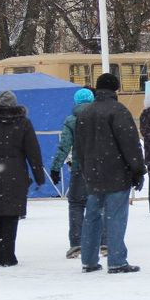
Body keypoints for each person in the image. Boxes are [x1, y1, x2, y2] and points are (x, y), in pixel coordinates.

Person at [74, 73, 146, 274]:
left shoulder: (85, 113)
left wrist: (85, 167)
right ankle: (116, 260)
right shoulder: (118, 111)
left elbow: (79, 146)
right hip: (116, 171)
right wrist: (138, 170)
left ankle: (88, 260)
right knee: (115, 216)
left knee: (92, 216)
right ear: (115, 89)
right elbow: (130, 144)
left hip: (93, 172)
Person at [0, 91, 44, 267]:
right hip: (16, 173)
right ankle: (9, 254)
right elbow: (33, 151)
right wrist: (38, 176)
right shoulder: (24, 123)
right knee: (11, 214)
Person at [49, 88, 106, 258]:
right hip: (101, 168)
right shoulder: (102, 118)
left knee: (76, 204)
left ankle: (77, 244)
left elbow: (64, 145)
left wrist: (55, 167)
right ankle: (105, 242)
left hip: (79, 168)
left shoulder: (71, 120)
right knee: (101, 204)